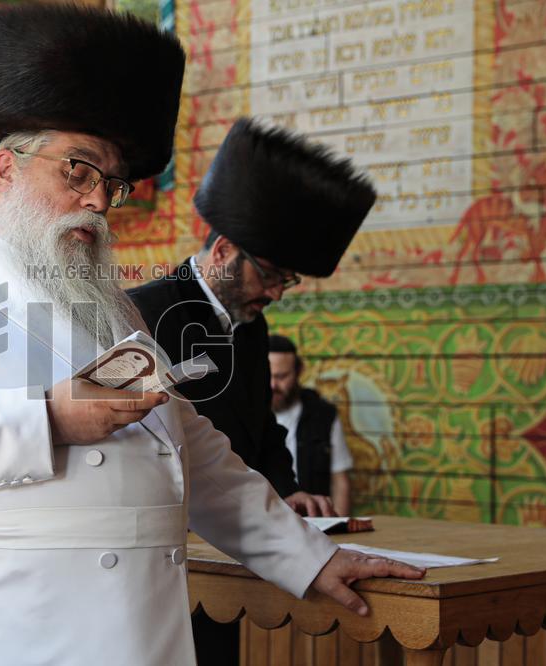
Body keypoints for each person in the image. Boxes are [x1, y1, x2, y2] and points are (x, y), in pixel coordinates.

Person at [0, 6, 423, 665]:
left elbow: (196, 455)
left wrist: (312, 558)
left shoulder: (109, 309)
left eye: (113, 183)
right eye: (78, 171)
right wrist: (47, 418)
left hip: (137, 634)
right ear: (4, 169)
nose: (100, 202)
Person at [127, 117, 379, 663]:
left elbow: (260, 429)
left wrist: (286, 491)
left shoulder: (251, 322)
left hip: (244, 535)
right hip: (170, 554)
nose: (276, 293)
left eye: (286, 281)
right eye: (270, 275)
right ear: (223, 252)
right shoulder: (146, 312)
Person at [269, 334, 353, 516]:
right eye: (268, 376)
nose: (273, 384)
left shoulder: (323, 415)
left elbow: (340, 479)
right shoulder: (246, 417)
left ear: (298, 371)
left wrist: (339, 524)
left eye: (282, 376)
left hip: (313, 521)